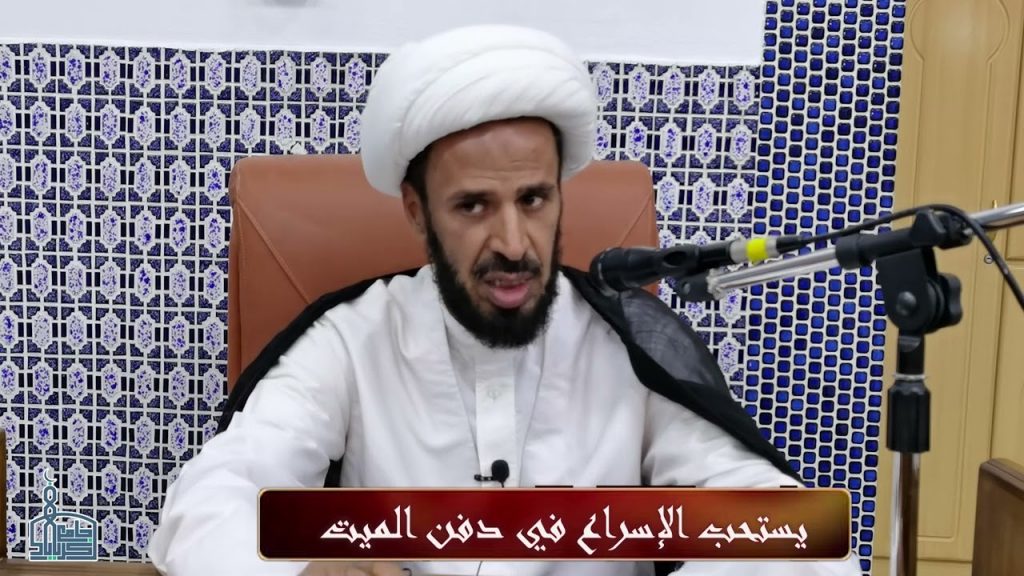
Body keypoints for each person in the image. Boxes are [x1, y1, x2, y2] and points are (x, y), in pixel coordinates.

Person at [148, 24, 862, 576]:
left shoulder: (624, 346)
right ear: (418, 212)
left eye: (533, 199)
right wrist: (299, 570)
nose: (514, 243)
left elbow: (784, 529)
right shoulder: (352, 341)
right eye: (473, 206)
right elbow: (212, 498)